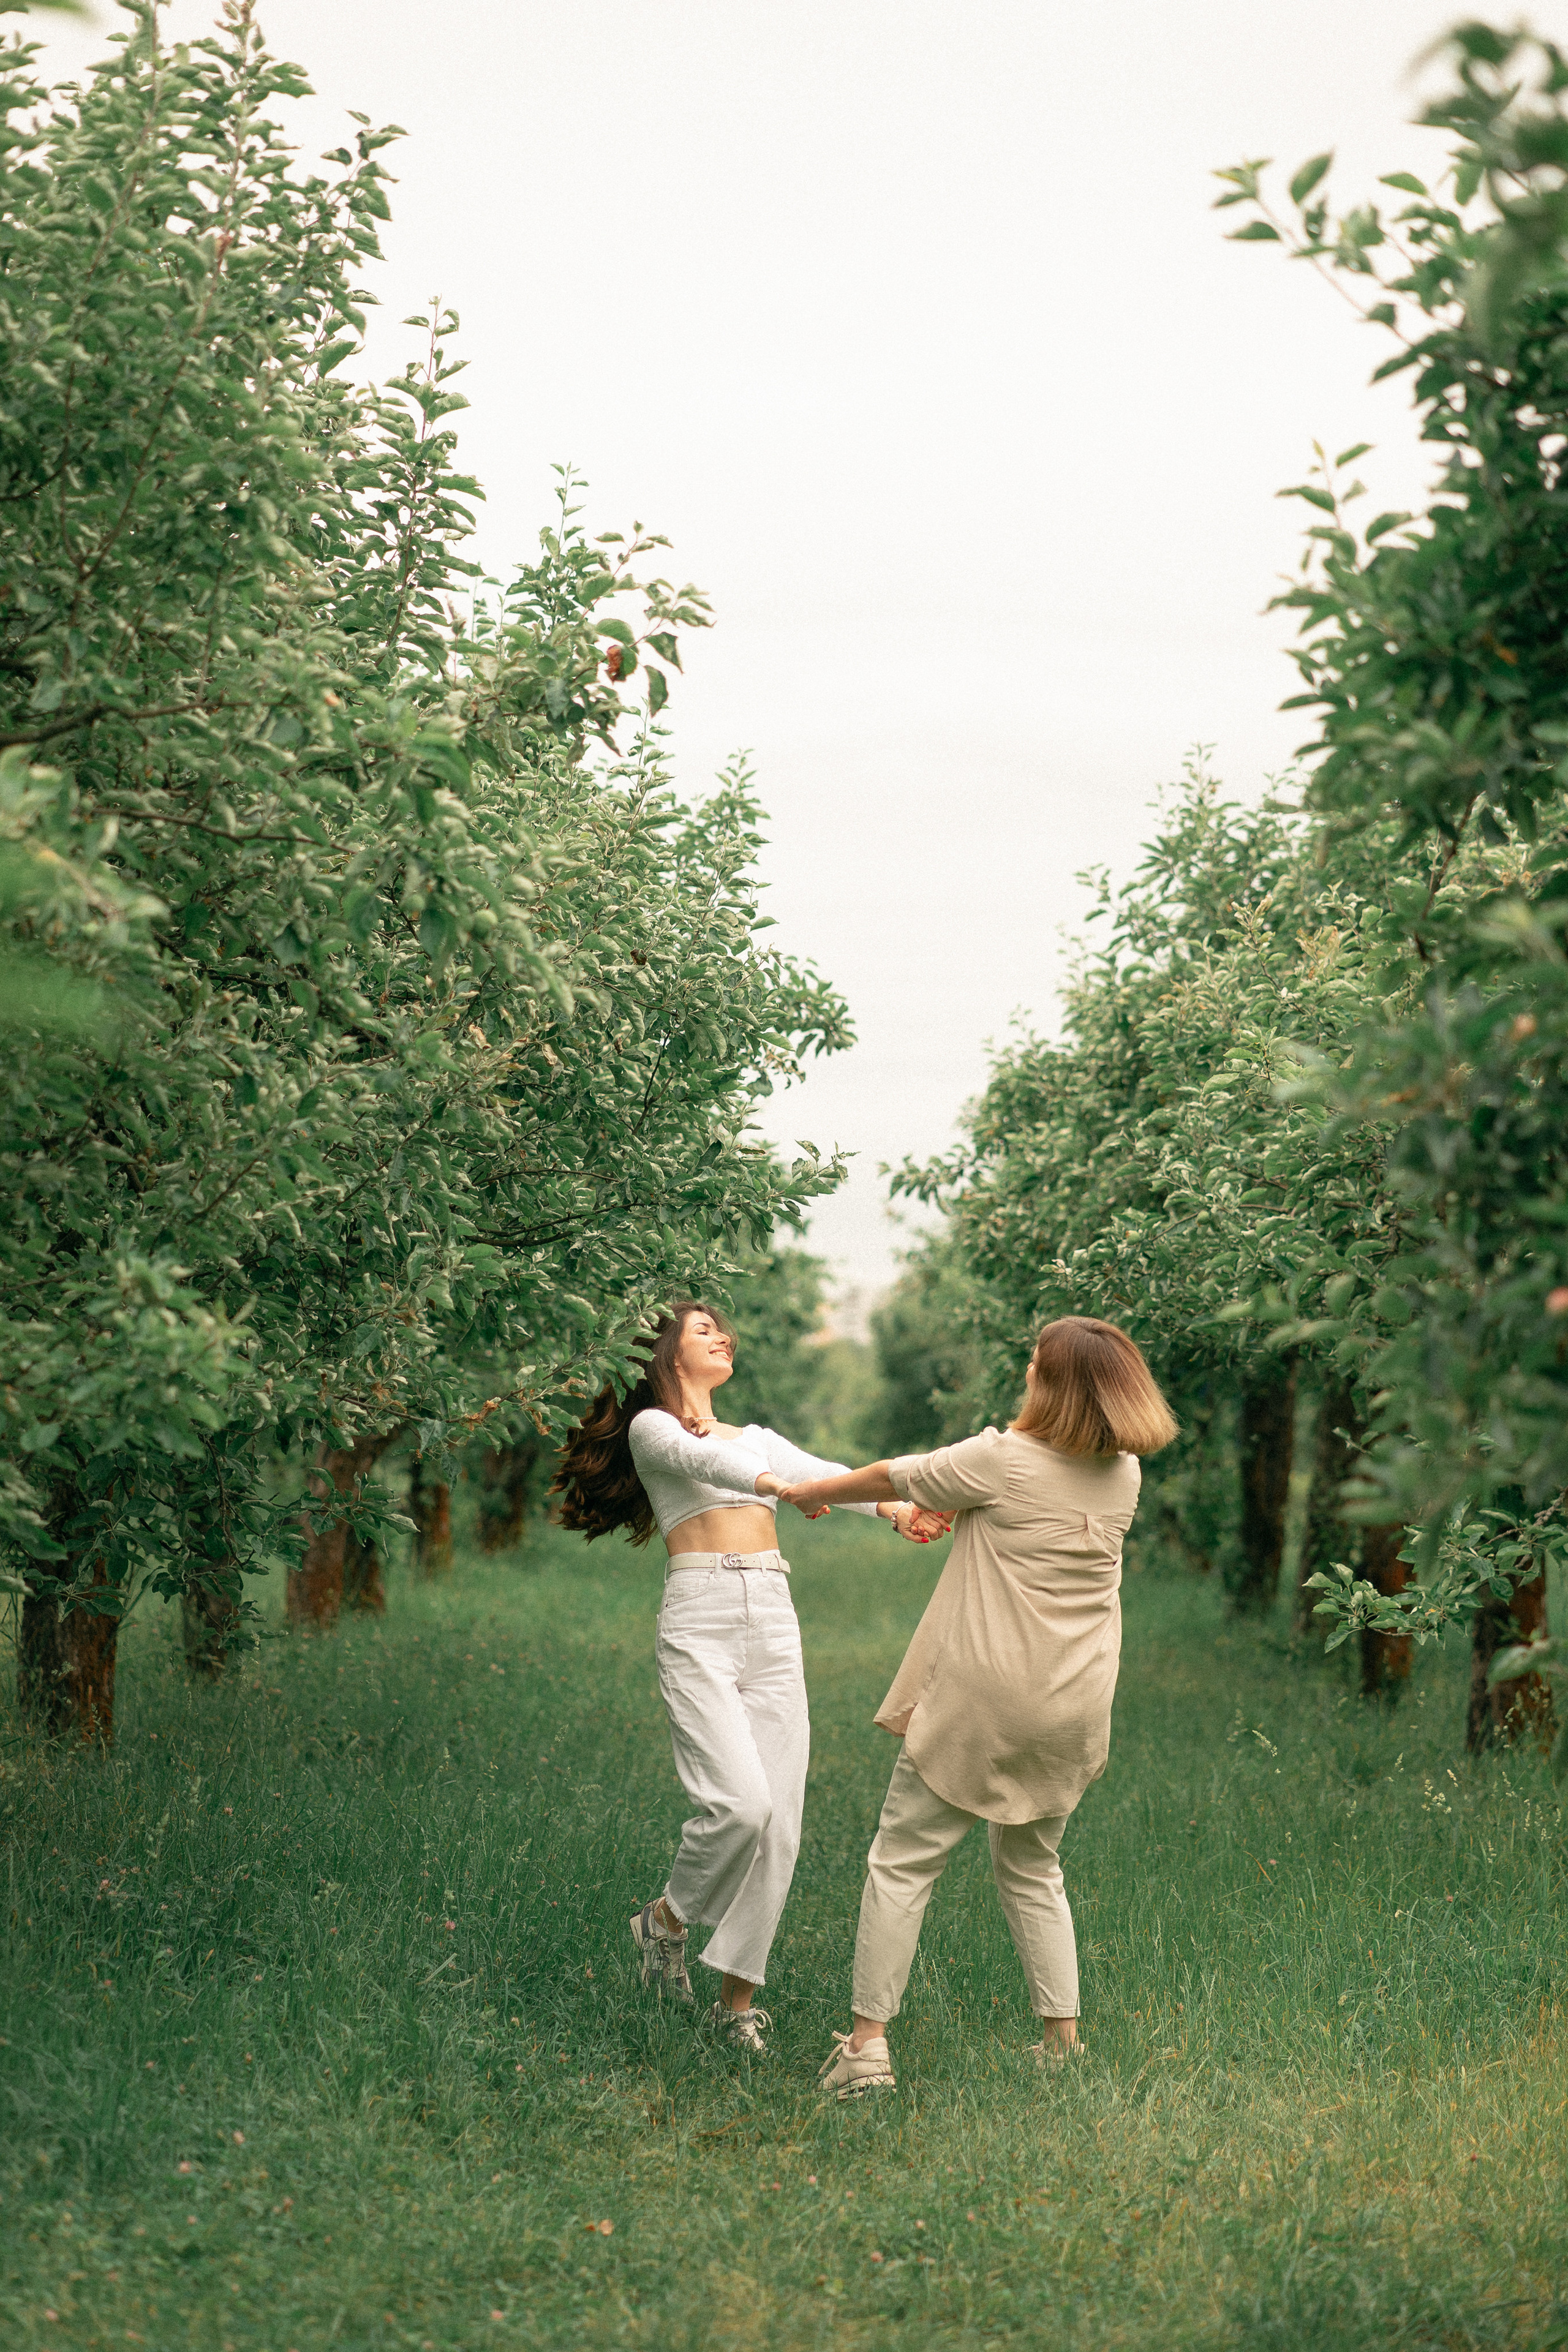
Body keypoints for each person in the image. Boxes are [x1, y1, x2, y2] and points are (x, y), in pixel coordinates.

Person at [774, 1314, 1177, 2098]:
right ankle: (1062, 2045)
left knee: (903, 1861)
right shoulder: (1123, 1473)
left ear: (1054, 1385)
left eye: (1035, 1364)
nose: (1026, 1373)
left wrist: (810, 1491)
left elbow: (896, 1475)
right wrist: (951, 1513)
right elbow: (1012, 1518)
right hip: (1072, 1704)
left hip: (986, 1701)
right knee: (1033, 1868)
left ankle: (865, 2050)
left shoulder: (1003, 1458)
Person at [551, 1300, 948, 2054]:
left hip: (771, 1612)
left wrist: (894, 1507)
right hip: (700, 1616)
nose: (722, 1337)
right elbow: (715, 1465)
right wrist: (780, 1489)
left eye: (722, 1329)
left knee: (780, 1827)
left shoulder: (756, 1439)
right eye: (704, 1330)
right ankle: (664, 1923)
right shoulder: (654, 1430)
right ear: (665, 1352)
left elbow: (826, 1473)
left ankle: (735, 2007)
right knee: (738, 1806)